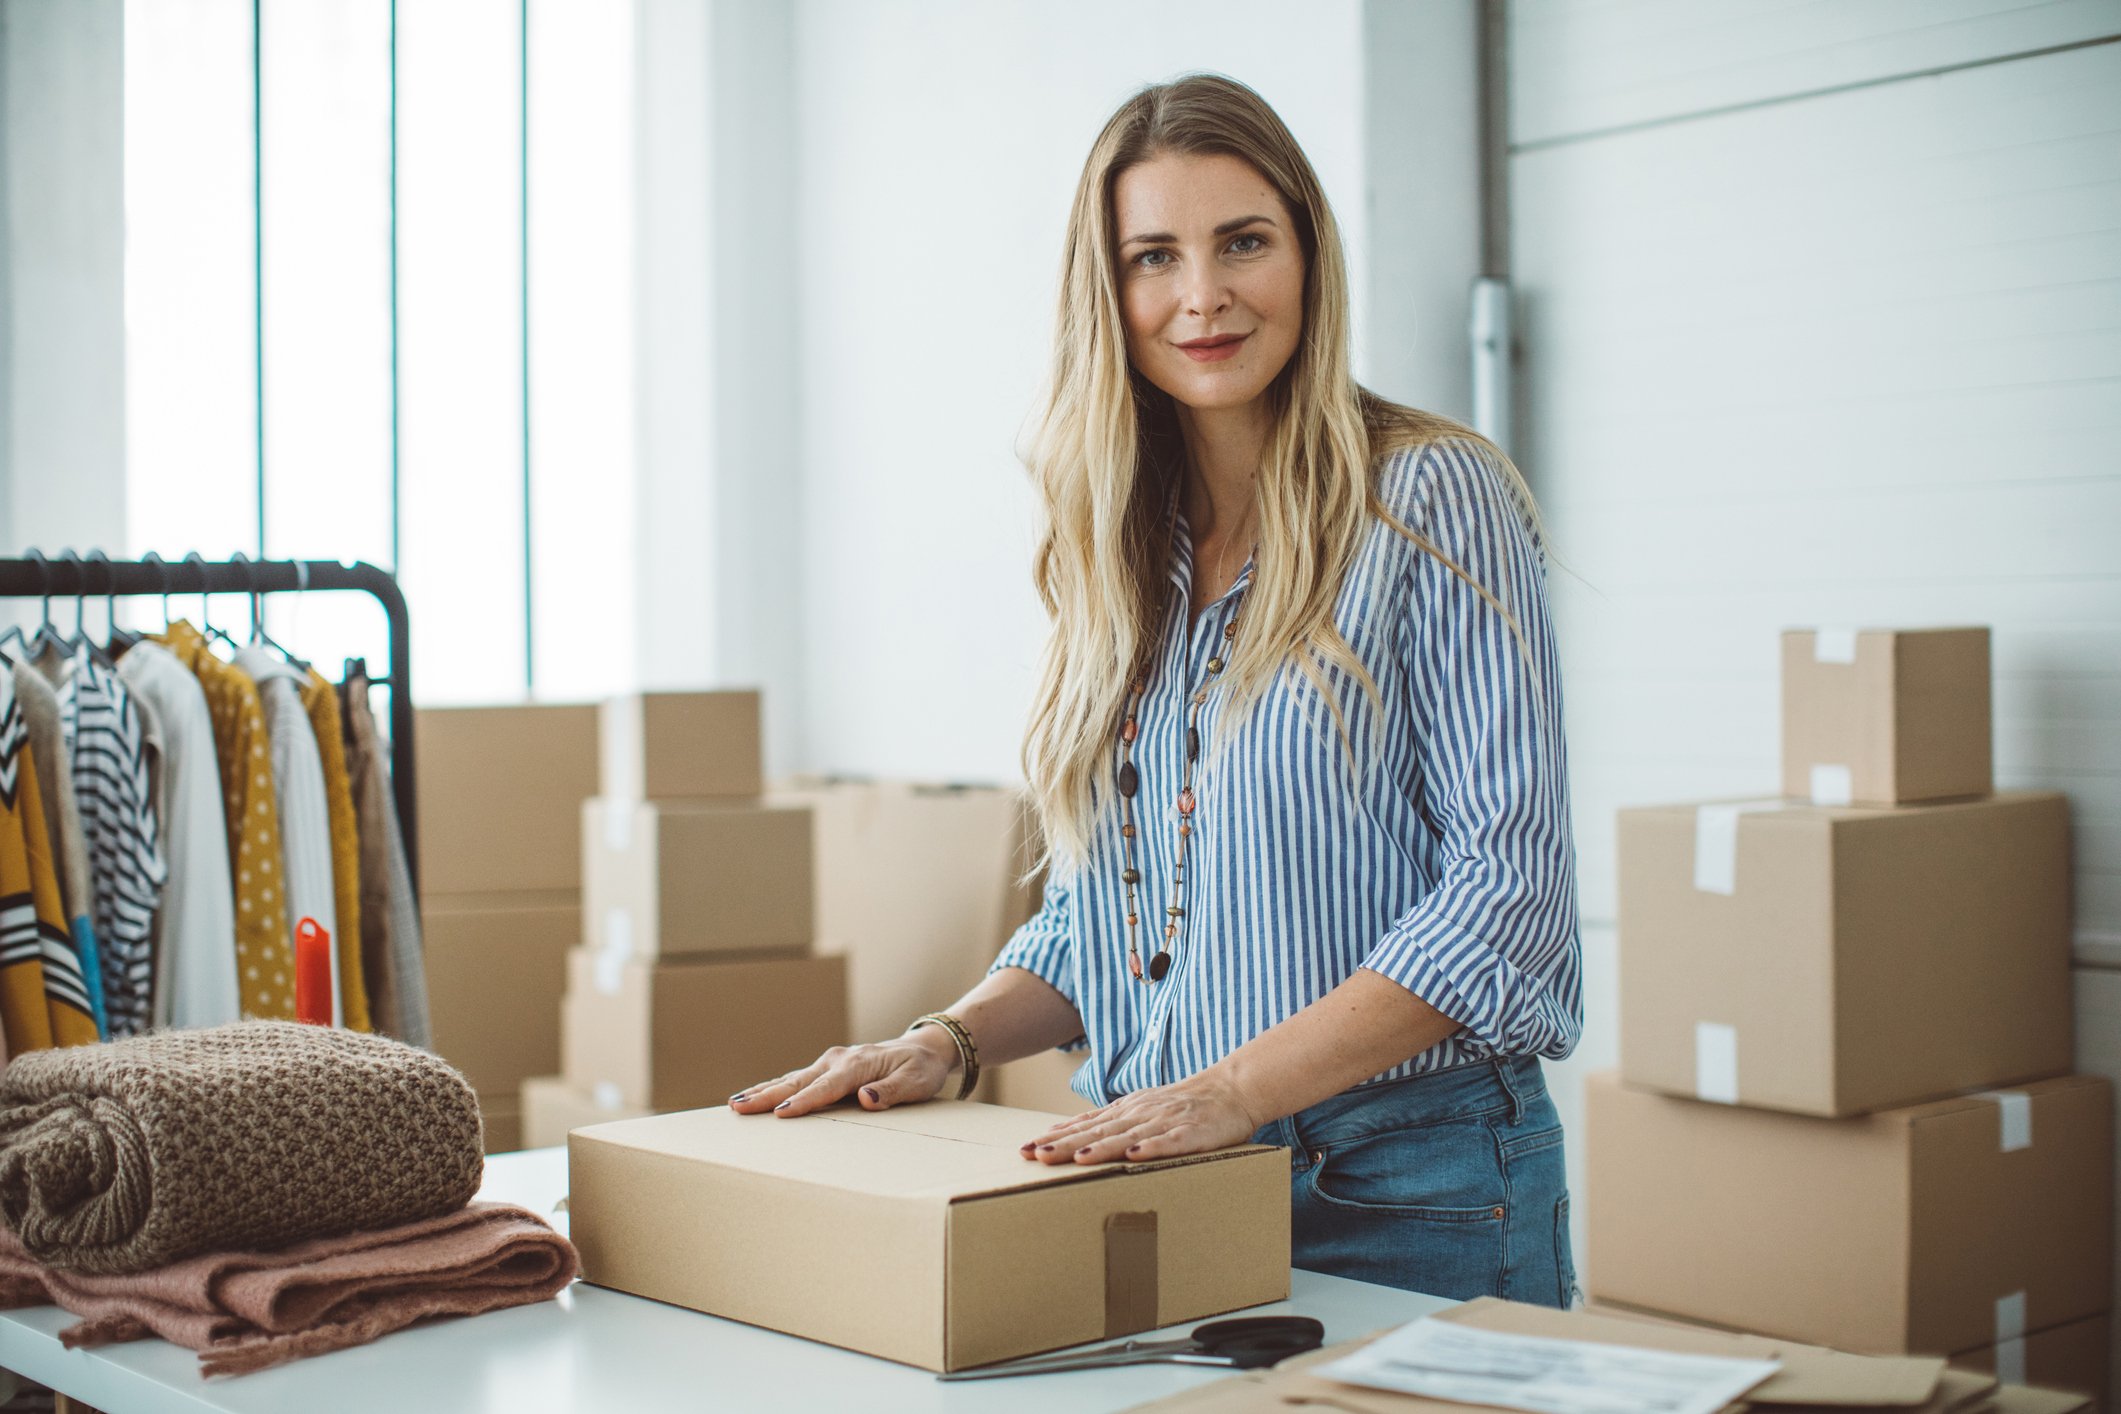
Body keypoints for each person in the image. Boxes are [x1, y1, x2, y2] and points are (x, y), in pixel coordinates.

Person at [730, 71, 1581, 1307]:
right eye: (1153, 257)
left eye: (1244, 241)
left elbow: (1506, 900)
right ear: (1107, 291)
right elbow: (1116, 919)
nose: (1203, 296)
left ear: (1308, 254)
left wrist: (1234, 1093)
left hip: (1413, 1188)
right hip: (1168, 1179)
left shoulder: (1434, 500)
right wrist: (947, 1041)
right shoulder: (1118, 547)